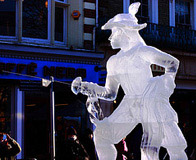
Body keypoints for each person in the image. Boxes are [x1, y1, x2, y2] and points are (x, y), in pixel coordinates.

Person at [71, 2, 187, 160]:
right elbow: (110, 93)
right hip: (130, 104)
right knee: (102, 135)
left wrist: (163, 84)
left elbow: (173, 63)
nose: (111, 37)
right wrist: (88, 88)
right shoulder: (113, 61)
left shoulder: (143, 51)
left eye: (114, 32)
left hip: (151, 101)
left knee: (165, 147)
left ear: (125, 32)